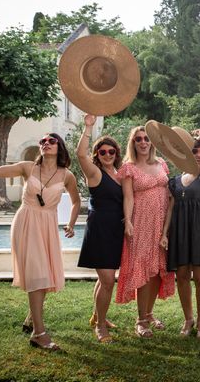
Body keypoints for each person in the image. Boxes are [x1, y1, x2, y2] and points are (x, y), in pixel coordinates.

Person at [0, 122, 80, 351]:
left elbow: (76, 201)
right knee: (37, 275)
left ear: (60, 147)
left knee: (46, 274)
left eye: (51, 141)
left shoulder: (67, 175)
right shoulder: (27, 167)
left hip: (48, 225)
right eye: (43, 141)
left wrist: (71, 223)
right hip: (26, 222)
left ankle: (32, 317)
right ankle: (39, 334)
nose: (46, 143)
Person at [115, 126, 175, 338]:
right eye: (138, 139)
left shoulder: (161, 164)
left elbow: (168, 193)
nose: (143, 142)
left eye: (146, 139)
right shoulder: (129, 168)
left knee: (159, 270)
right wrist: (128, 222)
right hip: (141, 223)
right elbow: (128, 197)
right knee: (143, 269)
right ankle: (140, 320)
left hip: (163, 223)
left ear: (152, 142)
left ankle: (149, 313)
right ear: (133, 143)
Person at [161, 129, 200, 338]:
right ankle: (188, 319)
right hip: (180, 232)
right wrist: (164, 234)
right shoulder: (175, 181)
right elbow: (170, 208)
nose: (198, 154)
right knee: (183, 277)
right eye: (194, 151)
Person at [75, 114, 124, 343]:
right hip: (100, 229)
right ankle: (101, 326)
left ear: (116, 154)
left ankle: (97, 316)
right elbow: (79, 154)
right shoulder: (94, 173)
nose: (107, 155)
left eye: (111, 152)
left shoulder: (121, 174)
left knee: (106, 278)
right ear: (97, 154)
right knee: (107, 281)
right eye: (102, 152)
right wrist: (88, 127)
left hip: (117, 230)